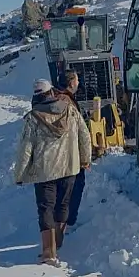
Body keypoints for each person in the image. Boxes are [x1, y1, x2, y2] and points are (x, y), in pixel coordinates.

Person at [14, 78, 91, 266]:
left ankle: (49, 252)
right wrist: (85, 159)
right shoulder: (70, 109)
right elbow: (84, 135)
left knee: (46, 208)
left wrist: (19, 174)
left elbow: (25, 148)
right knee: (63, 205)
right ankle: (59, 242)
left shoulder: (33, 118)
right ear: (51, 92)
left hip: (44, 171)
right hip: (69, 168)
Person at [52, 71, 87, 237]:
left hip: (57, 153)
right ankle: (66, 224)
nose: (79, 83)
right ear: (71, 83)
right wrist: (84, 157)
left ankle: (60, 222)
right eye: (77, 80)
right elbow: (79, 131)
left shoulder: (56, 97)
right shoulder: (66, 102)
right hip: (68, 153)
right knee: (73, 188)